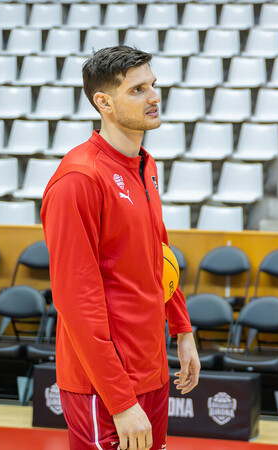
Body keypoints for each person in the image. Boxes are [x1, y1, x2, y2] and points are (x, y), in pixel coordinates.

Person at [41, 46, 201, 450]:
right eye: (137, 90)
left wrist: (182, 330)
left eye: (153, 85)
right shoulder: (78, 179)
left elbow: (159, 254)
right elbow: (76, 302)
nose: (153, 97)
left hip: (152, 369)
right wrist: (120, 400)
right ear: (104, 102)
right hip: (105, 386)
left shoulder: (145, 164)